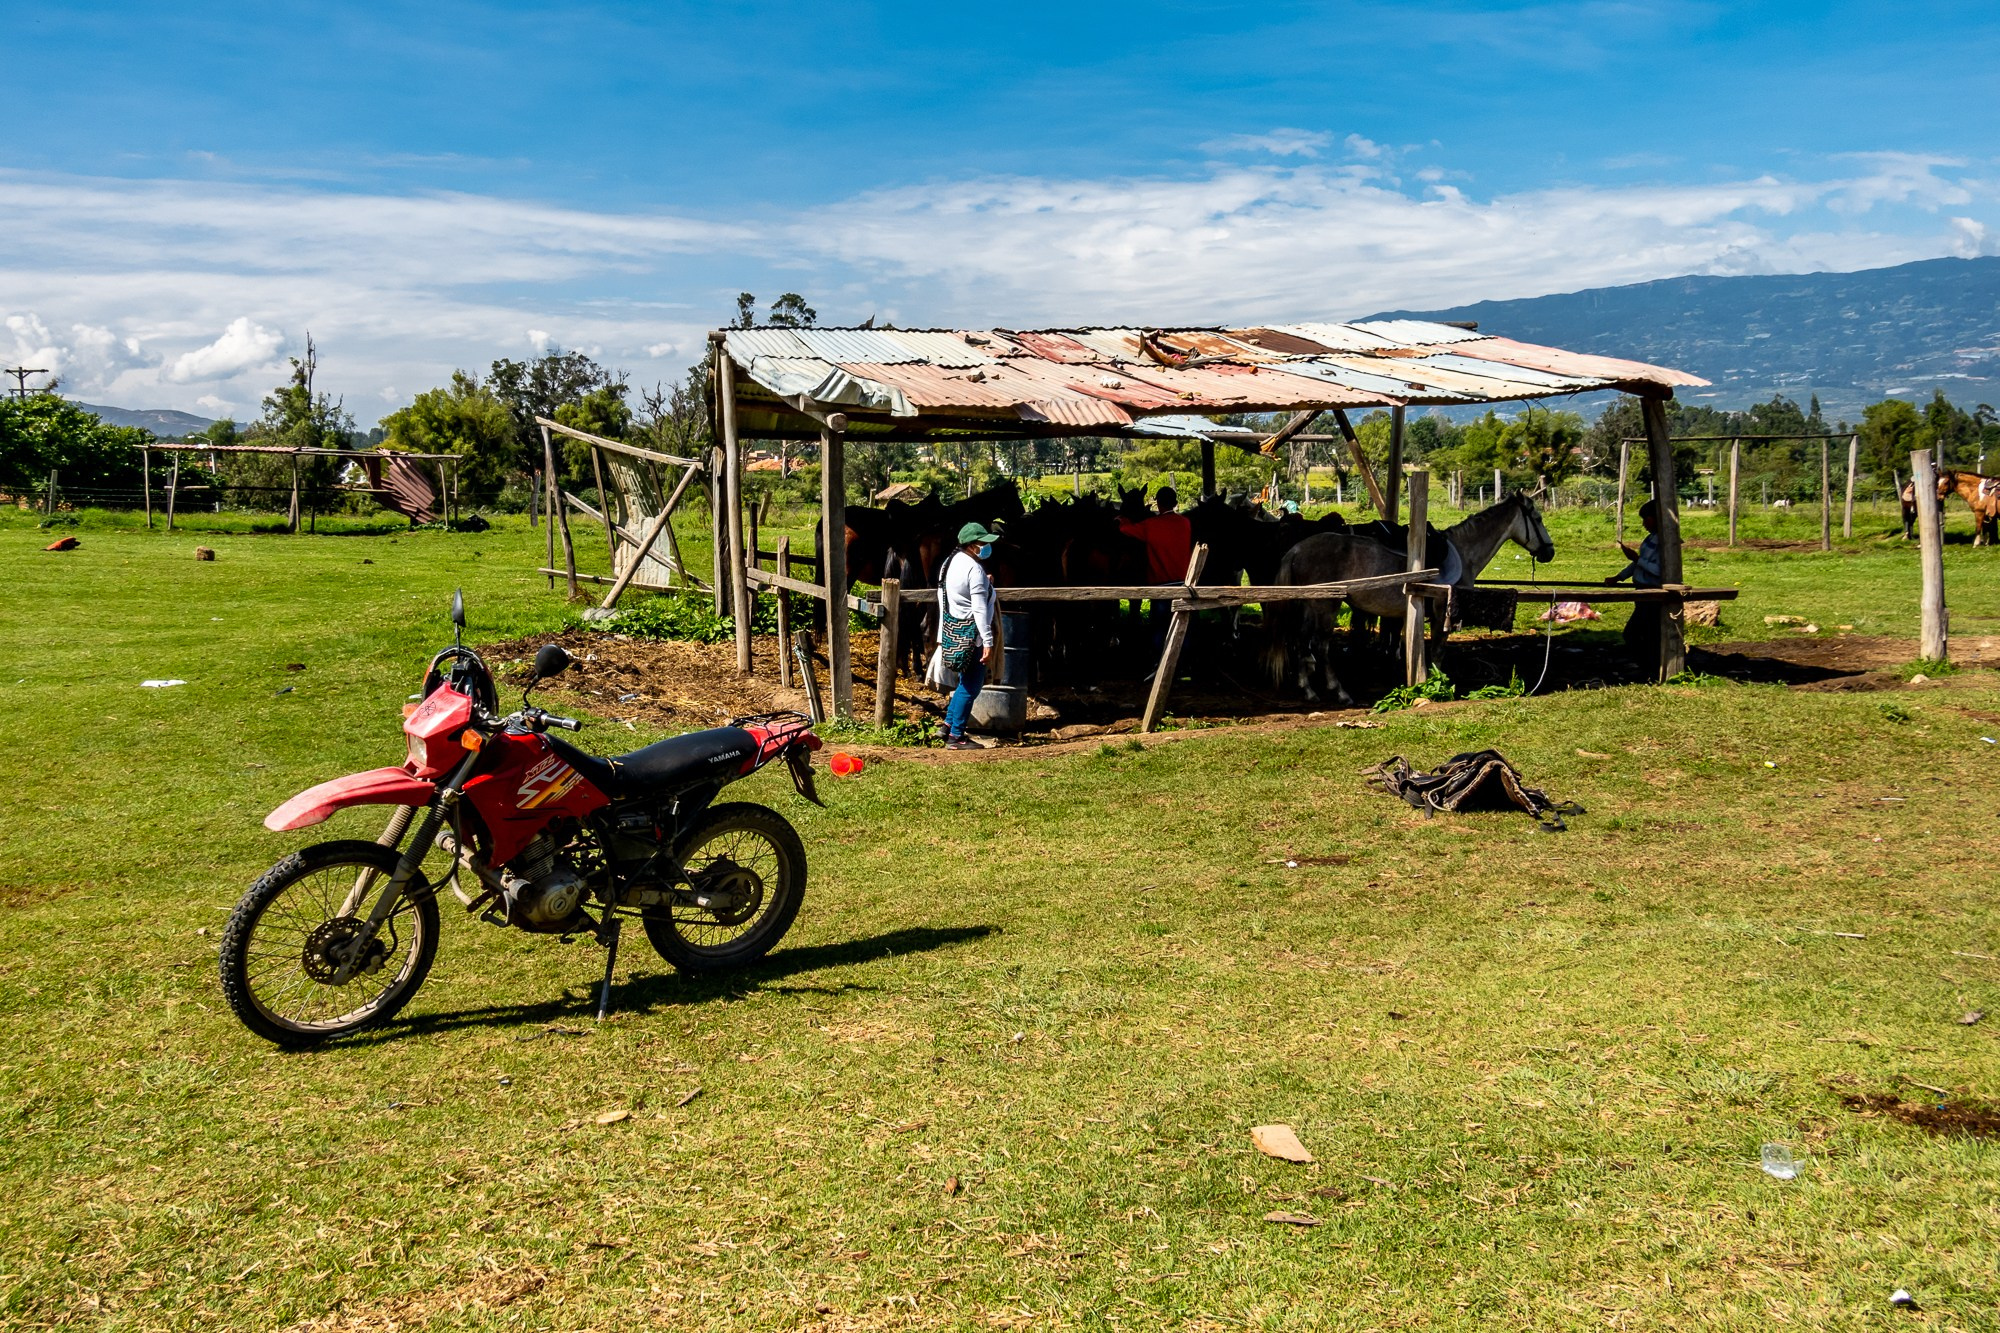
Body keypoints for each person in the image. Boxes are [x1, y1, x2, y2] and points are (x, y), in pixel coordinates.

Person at [939, 521, 1000, 750]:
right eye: (983, 543)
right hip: (973, 633)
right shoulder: (974, 569)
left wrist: (986, 584)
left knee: (964, 682)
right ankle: (957, 736)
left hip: (956, 630)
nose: (986, 547)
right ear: (973, 546)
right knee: (971, 686)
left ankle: (947, 724)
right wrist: (987, 640)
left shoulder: (951, 562)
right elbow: (979, 608)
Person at [1607, 498, 1663, 664]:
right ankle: (1648, 662)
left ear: (1656, 517)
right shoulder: (1649, 540)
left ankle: (1649, 664)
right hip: (1642, 593)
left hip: (1653, 593)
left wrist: (1637, 559)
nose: (1644, 524)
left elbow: (1659, 571)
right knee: (1643, 632)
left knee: (1636, 633)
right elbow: (1638, 564)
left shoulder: (1665, 542)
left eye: (1646, 519)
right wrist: (1619, 577)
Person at [1119, 486, 1194, 584]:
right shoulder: (1186, 522)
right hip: (1183, 581)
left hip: (1160, 583)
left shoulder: (1150, 524)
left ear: (1158, 503)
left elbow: (1124, 529)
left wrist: (1122, 520)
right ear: (1175, 504)